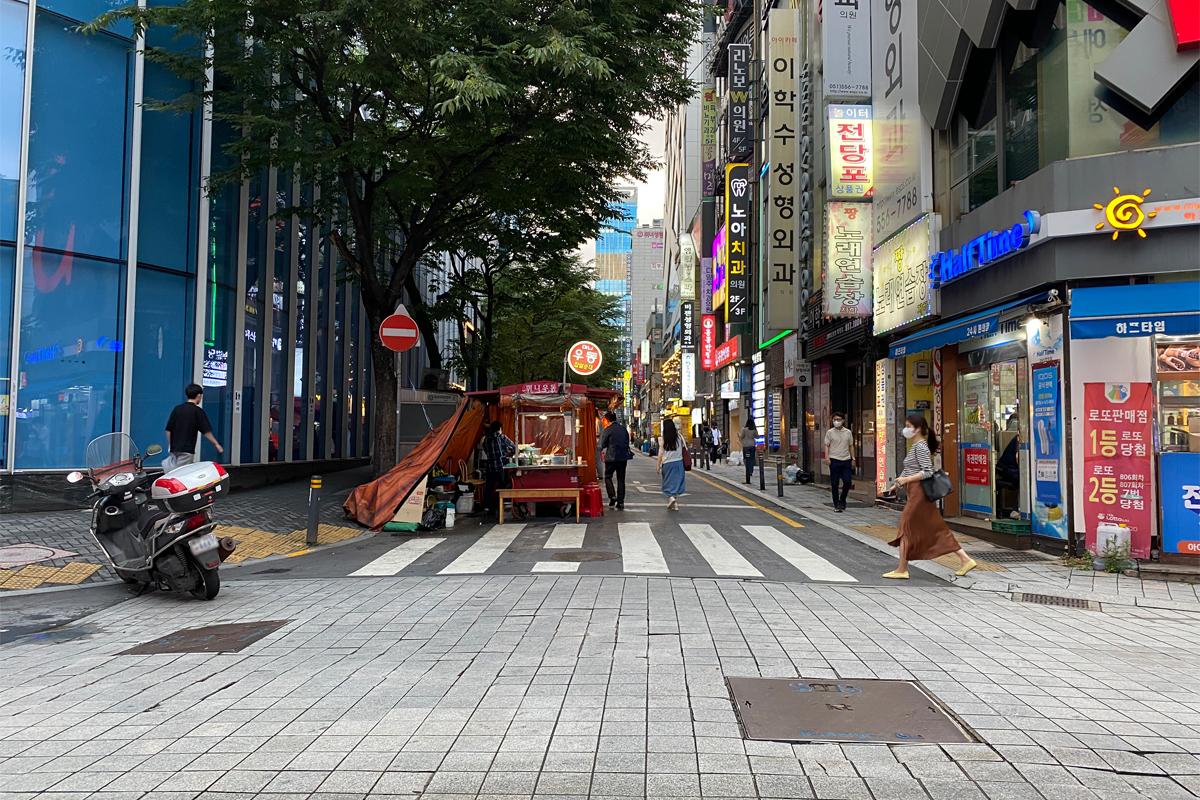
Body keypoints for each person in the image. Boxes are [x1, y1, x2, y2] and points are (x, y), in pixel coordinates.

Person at [884, 413, 977, 580]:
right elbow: (910, 468)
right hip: (914, 491)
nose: (905, 429)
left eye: (908, 426)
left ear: (918, 429)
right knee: (933, 528)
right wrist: (896, 484)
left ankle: (902, 569)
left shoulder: (920, 446)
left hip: (919, 492)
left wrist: (906, 479)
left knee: (906, 526)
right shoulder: (916, 445)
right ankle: (965, 559)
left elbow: (927, 472)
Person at [164, 384, 223, 471]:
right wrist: (216, 444)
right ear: (198, 395)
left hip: (175, 449)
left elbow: (168, 430)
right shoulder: (198, 411)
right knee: (180, 474)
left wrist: (171, 444)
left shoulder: (177, 409)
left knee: (175, 471)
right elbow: (206, 431)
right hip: (187, 450)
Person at [599, 411, 633, 509]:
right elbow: (627, 441)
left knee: (608, 476)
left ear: (607, 420)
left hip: (611, 457)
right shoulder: (623, 429)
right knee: (621, 479)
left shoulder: (607, 430)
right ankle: (621, 502)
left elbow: (602, 444)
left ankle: (612, 496)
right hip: (623, 457)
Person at [481, 421, 515, 515]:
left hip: (490, 467)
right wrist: (508, 452)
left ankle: (487, 507)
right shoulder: (502, 437)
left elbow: (486, 450)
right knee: (504, 485)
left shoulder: (486, 439)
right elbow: (514, 448)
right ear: (499, 428)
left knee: (489, 488)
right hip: (500, 467)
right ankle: (502, 505)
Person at [825, 412, 855, 512]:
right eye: (835, 420)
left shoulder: (848, 432)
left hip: (846, 460)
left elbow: (851, 446)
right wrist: (827, 458)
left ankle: (842, 499)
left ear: (843, 420)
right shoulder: (830, 432)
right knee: (835, 483)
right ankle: (836, 504)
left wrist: (853, 458)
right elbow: (827, 445)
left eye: (839, 419)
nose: (836, 421)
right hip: (834, 460)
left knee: (847, 482)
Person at [657, 418, 686, 510]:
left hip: (667, 463)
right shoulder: (679, 436)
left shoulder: (663, 438)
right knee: (677, 483)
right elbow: (685, 448)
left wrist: (658, 465)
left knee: (668, 482)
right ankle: (675, 503)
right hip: (679, 462)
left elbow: (661, 452)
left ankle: (671, 498)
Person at [737, 419, 758, 484]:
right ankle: (751, 470)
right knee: (752, 459)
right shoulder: (754, 429)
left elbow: (741, 437)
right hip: (752, 445)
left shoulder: (744, 429)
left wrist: (738, 435)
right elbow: (757, 437)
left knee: (746, 459)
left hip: (746, 446)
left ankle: (748, 470)